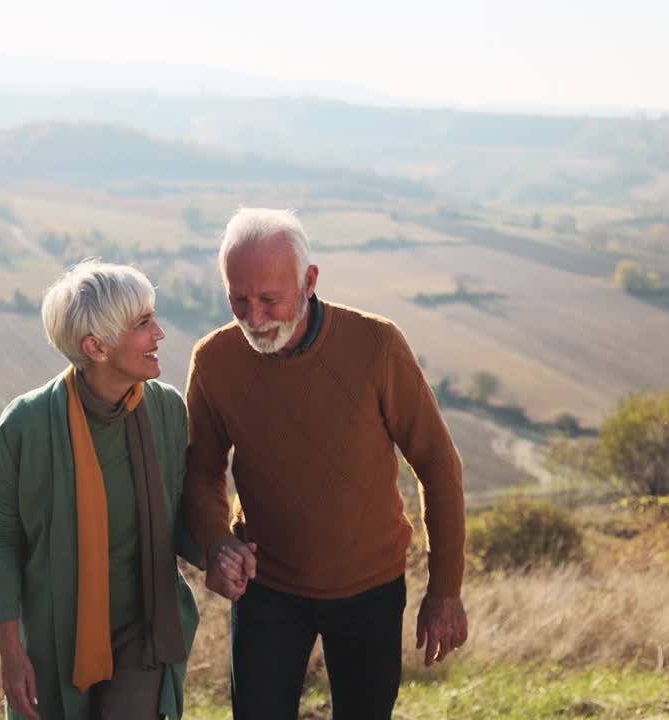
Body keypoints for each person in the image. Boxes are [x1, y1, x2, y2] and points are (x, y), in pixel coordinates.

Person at [183, 208, 468, 720]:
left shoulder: (376, 345)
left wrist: (445, 589)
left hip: (371, 588)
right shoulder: (214, 360)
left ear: (309, 280)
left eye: (270, 299)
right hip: (265, 588)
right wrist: (216, 539)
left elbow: (438, 464)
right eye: (237, 300)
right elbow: (202, 470)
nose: (254, 317)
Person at [0, 260, 202, 720]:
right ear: (96, 347)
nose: (159, 333)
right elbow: (4, 539)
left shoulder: (167, 411)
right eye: (143, 324)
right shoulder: (24, 426)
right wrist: (10, 651)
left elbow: (180, 516)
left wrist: (222, 552)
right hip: (53, 638)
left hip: (144, 632)